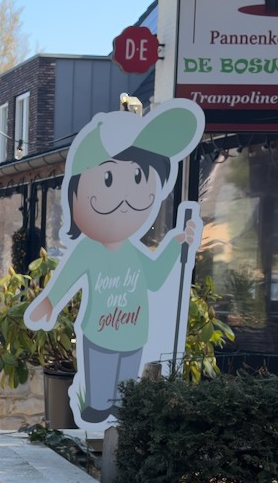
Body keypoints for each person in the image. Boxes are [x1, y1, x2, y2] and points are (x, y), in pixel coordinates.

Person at [25, 99, 205, 426]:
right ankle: (96, 407)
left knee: (124, 382)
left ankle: (117, 407)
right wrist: (50, 302)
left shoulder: (134, 251)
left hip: (135, 332)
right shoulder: (88, 249)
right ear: (76, 196)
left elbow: (154, 277)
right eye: (107, 179)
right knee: (99, 382)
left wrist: (176, 244)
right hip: (99, 332)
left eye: (138, 177)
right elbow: (69, 275)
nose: (125, 196)